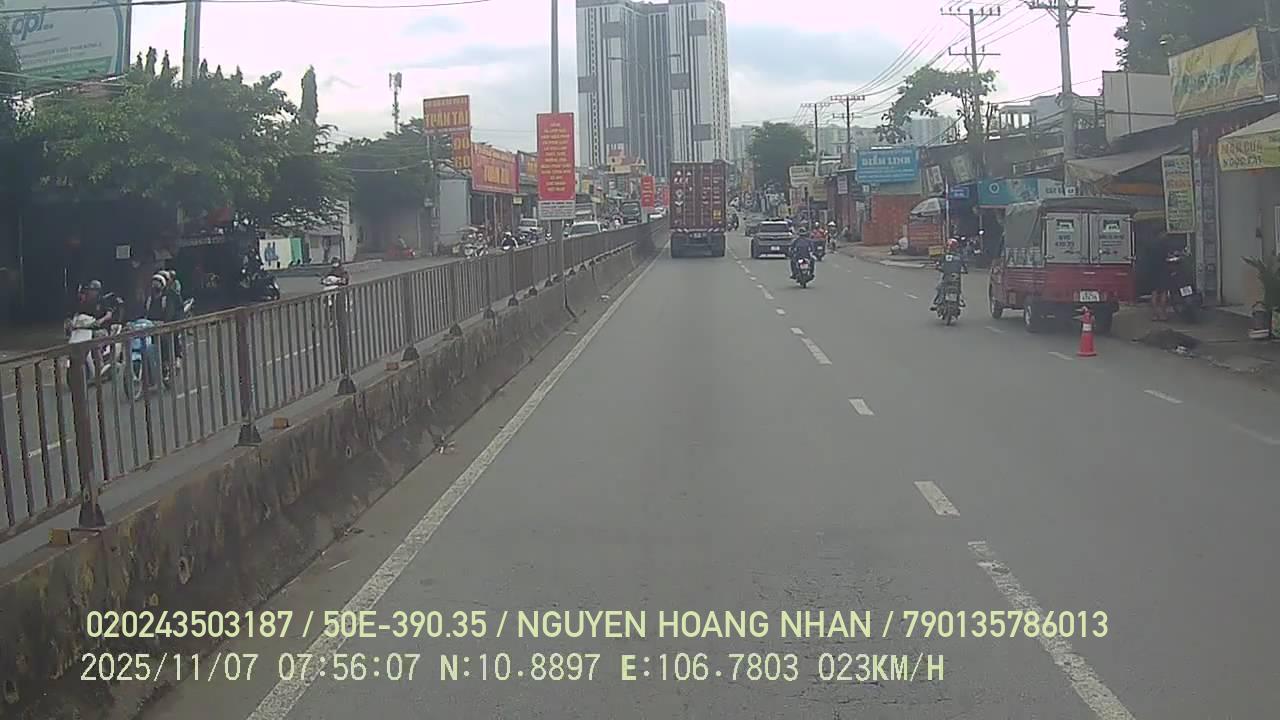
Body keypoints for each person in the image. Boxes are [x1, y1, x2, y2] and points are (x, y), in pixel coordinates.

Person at [931, 239, 965, 310]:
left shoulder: (945, 255)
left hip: (947, 275)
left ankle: (938, 301)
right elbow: (964, 266)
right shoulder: (959, 256)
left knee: (941, 287)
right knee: (957, 288)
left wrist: (938, 267)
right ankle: (959, 300)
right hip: (956, 276)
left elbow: (939, 263)